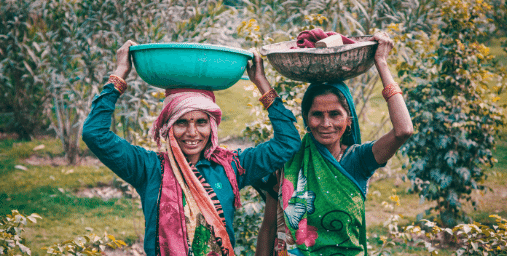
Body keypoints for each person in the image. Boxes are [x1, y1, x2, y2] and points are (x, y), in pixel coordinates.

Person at [82, 40, 302, 256]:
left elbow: (288, 142)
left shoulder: (231, 167)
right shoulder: (148, 169)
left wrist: (261, 82)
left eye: (201, 122)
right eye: (181, 122)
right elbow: (95, 133)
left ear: (212, 126)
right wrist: (120, 72)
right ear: (167, 127)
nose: (192, 132)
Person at [254, 31, 414, 256]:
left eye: (335, 114)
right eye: (317, 114)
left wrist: (381, 62)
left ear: (349, 121)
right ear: (307, 119)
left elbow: (403, 130)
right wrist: (261, 82)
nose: (326, 123)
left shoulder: (359, 160)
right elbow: (269, 226)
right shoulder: (288, 161)